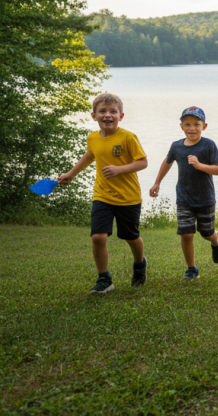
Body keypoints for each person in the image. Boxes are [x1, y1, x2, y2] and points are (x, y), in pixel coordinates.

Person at [58, 93, 149, 294]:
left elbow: (142, 162)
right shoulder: (92, 138)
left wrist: (119, 169)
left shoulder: (128, 137)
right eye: (102, 111)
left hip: (128, 198)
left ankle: (139, 264)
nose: (107, 115)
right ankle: (104, 279)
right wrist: (71, 174)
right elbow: (90, 155)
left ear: (121, 116)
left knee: (131, 236)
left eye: (112, 112)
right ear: (94, 115)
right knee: (98, 237)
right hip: (102, 196)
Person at [148, 106, 218, 280]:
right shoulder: (176, 146)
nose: (192, 128)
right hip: (184, 197)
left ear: (204, 126)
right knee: (186, 233)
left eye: (196, 124)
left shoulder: (209, 145)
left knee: (206, 233)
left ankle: (216, 240)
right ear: (181, 126)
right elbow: (167, 162)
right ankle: (192, 269)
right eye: (187, 124)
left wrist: (200, 166)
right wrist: (157, 183)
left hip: (205, 198)